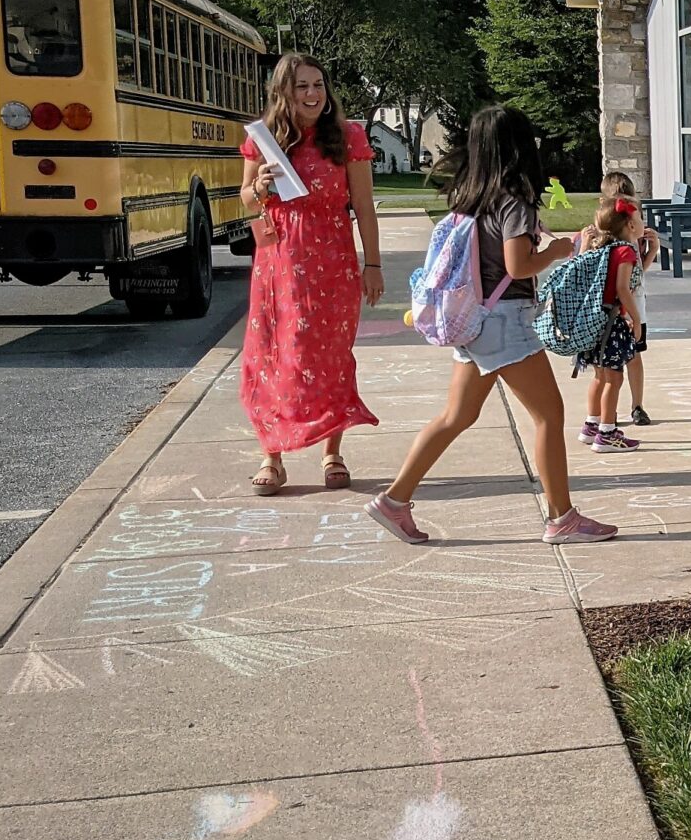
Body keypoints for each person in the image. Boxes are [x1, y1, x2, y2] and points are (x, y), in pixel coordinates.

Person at [365, 107, 617, 545]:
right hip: (504, 324)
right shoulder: (514, 200)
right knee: (549, 415)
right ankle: (562, 518)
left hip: (475, 321)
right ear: (516, 147)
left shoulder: (472, 194)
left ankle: (393, 500)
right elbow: (518, 266)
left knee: (456, 416)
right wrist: (556, 250)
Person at [238, 54, 381, 494]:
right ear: (284, 92)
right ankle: (272, 456)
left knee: (330, 356)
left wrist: (371, 264)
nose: (313, 94)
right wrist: (257, 186)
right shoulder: (263, 139)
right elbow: (244, 200)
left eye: (318, 84)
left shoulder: (348, 136)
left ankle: (332, 452)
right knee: (273, 354)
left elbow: (363, 205)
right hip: (278, 264)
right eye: (302, 86)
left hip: (332, 263)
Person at [574, 171, 659, 425]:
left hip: (619, 309)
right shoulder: (606, 239)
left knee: (614, 368)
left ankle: (612, 414)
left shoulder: (629, 240)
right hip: (620, 313)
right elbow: (621, 285)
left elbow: (634, 277)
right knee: (610, 375)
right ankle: (606, 425)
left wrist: (650, 251)